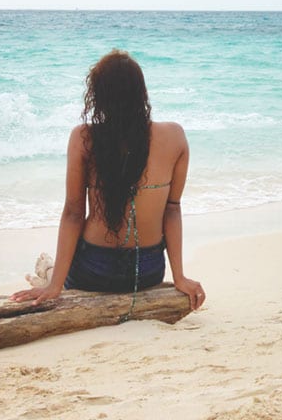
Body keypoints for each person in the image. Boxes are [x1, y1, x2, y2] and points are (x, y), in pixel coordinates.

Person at [11, 50, 205, 311]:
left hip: (95, 271)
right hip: (147, 272)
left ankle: (49, 272)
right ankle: (50, 271)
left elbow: (73, 213)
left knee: (56, 272)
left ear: (98, 96)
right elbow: (172, 209)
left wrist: (55, 286)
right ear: (141, 93)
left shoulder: (83, 138)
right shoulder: (175, 137)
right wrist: (178, 276)